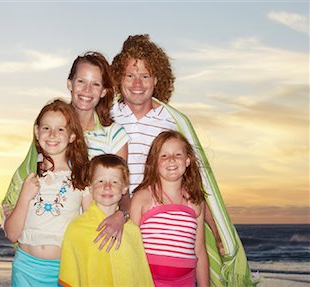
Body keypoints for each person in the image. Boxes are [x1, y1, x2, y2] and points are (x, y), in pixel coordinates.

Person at [111, 34, 258, 286]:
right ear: (118, 79)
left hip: (167, 221)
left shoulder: (173, 121)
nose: (137, 83)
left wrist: (217, 230)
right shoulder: (108, 116)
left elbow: (200, 181)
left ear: (156, 80)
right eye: (129, 75)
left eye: (145, 76)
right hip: (114, 216)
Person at [2, 52, 130, 251]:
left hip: (91, 237)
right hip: (48, 243)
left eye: (95, 84)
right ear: (70, 84)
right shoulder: (52, 129)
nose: (87, 90)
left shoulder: (114, 135)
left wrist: (121, 216)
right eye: (81, 81)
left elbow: (123, 188)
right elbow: (31, 173)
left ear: (104, 91)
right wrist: (14, 206)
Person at [4, 99, 92, 286]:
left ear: (72, 135)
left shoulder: (81, 178)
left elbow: (92, 225)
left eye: (61, 129)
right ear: (37, 132)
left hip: (63, 270)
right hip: (25, 268)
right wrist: (25, 197)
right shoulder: (27, 177)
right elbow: (12, 234)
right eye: (46, 128)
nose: (52, 134)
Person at [59, 154, 154, 287]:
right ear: (90, 186)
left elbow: (140, 276)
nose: (107, 186)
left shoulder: (133, 231)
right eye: (100, 181)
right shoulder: (77, 229)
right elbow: (70, 276)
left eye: (115, 181)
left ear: (125, 188)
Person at [130, 131, 209, 286]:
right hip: (148, 281)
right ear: (154, 163)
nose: (171, 159)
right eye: (164, 156)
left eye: (178, 154)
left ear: (187, 160)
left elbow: (199, 250)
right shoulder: (142, 198)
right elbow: (131, 247)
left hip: (185, 282)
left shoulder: (195, 202)